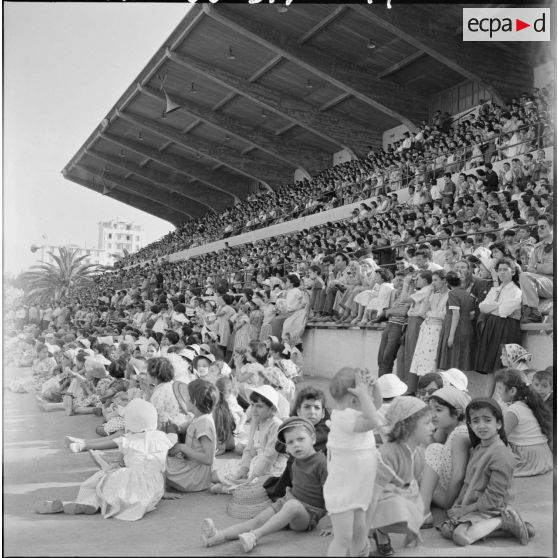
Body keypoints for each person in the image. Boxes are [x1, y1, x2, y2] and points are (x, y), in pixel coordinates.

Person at [200, 417, 328, 553]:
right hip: (288, 502)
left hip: (307, 515)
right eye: (290, 442)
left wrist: (333, 526)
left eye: (301, 439)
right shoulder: (296, 462)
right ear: (287, 447)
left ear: (313, 439)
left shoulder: (322, 463)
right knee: (256, 520)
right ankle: (217, 536)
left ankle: (255, 536)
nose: (296, 444)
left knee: (293, 506)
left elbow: (333, 494)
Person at [35, 399, 176, 521]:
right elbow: (163, 468)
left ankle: (90, 502)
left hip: (130, 476)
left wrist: (110, 467)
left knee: (104, 481)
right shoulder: (163, 439)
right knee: (125, 495)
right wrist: (163, 491)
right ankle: (95, 502)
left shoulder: (127, 440)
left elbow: (120, 461)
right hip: (152, 486)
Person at [438, 398, 534, 546]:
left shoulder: (501, 454)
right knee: (446, 530)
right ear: (470, 425)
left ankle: (504, 520)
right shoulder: (479, 448)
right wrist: (460, 506)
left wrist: (464, 510)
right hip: (476, 505)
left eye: (487, 420)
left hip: (492, 508)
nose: (481, 426)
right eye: (476, 421)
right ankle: (509, 529)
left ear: (499, 423)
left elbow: (493, 499)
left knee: (460, 537)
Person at [323, 368, 382, 557]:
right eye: (365, 395)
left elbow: (376, 406)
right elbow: (374, 420)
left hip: (358, 490)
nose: (370, 400)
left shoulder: (356, 412)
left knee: (359, 534)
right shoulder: (344, 417)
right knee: (343, 539)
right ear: (354, 398)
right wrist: (365, 394)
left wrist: (375, 386)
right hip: (343, 492)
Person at [368, 397, 432, 556]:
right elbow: (371, 495)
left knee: (418, 516)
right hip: (370, 498)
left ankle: (380, 526)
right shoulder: (388, 454)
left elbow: (412, 485)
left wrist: (413, 526)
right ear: (408, 426)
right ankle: (378, 530)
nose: (433, 427)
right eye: (427, 423)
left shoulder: (418, 454)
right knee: (400, 510)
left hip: (395, 494)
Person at [212, 385, 287, 493]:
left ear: (272, 409)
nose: (254, 410)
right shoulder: (257, 420)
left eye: (259, 406)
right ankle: (240, 485)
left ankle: (231, 489)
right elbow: (249, 448)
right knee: (214, 476)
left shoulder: (276, 426)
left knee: (258, 486)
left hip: (270, 468)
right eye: (252, 405)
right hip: (255, 462)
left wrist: (251, 477)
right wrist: (244, 468)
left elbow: (268, 458)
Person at [264, 386, 330, 501]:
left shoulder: (324, 429)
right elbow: (279, 445)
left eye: (317, 408)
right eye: (307, 407)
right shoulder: (296, 424)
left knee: (298, 453)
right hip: (298, 474)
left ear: (323, 413)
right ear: (299, 411)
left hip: (319, 478)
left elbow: (303, 445)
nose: (312, 412)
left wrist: (290, 443)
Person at [420, 387, 471, 521]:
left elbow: (458, 476)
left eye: (439, 410)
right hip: (446, 491)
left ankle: (422, 511)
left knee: (433, 450)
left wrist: (449, 507)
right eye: (431, 410)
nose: (433, 415)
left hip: (453, 498)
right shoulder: (448, 428)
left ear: (457, 413)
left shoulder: (460, 432)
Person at [494, 369, 553, 477]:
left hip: (527, 458)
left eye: (500, 388)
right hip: (544, 455)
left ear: (512, 391)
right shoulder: (528, 404)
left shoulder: (514, 410)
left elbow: (499, 437)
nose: (498, 392)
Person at [475, 258, 522, 391]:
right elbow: (482, 307)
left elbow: (504, 312)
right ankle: (487, 400)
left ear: (512, 272)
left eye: (505, 270)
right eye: (499, 270)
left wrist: (493, 307)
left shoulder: (516, 291)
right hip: (492, 327)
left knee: (502, 368)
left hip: (507, 328)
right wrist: (496, 305)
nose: (501, 273)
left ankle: (503, 402)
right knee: (490, 368)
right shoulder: (496, 289)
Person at [165, 379, 219, 493]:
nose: (185, 400)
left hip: (195, 477)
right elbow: (183, 429)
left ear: (194, 402)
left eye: (188, 397)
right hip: (193, 468)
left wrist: (182, 448)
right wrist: (175, 427)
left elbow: (208, 459)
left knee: (158, 462)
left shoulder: (204, 423)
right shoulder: (199, 417)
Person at [410, 270, 448, 377]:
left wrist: (430, 314)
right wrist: (428, 293)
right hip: (427, 330)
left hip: (437, 330)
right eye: (432, 280)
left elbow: (443, 315)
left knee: (432, 362)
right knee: (423, 361)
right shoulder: (434, 295)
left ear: (444, 280)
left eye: (436, 280)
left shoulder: (450, 295)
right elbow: (423, 311)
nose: (433, 283)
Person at [437, 271, 475, 372]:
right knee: (459, 362)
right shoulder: (468, 295)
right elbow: (472, 315)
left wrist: (451, 335)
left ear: (447, 283)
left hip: (454, 329)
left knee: (451, 362)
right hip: (466, 328)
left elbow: (456, 314)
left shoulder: (453, 294)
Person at [519, 214, 553, 323]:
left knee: (525, 276)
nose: (539, 229)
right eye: (538, 227)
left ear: (552, 227)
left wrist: (536, 267)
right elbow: (529, 268)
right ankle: (530, 309)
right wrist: (538, 268)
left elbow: (551, 269)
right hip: (541, 280)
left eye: (543, 227)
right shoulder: (537, 247)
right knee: (521, 276)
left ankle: (533, 312)